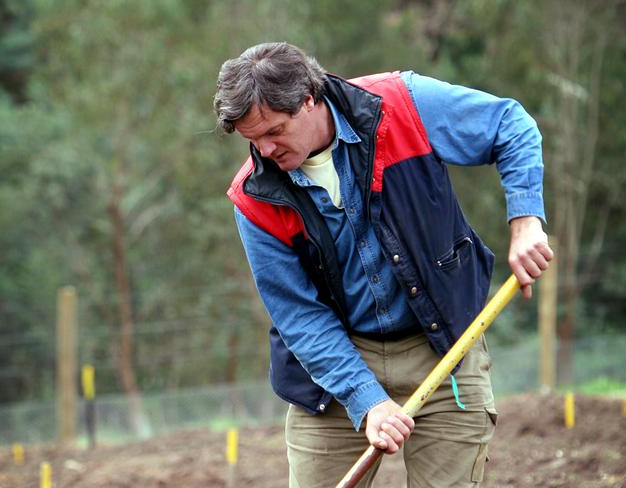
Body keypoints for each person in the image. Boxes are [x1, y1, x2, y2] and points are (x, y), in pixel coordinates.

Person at [214, 42, 553, 487]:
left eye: (274, 131)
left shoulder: (401, 105)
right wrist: (366, 398)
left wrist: (526, 221)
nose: (265, 150)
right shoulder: (254, 196)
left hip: (446, 347)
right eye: (252, 140)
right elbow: (298, 315)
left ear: (309, 99)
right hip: (332, 374)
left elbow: (510, 124)